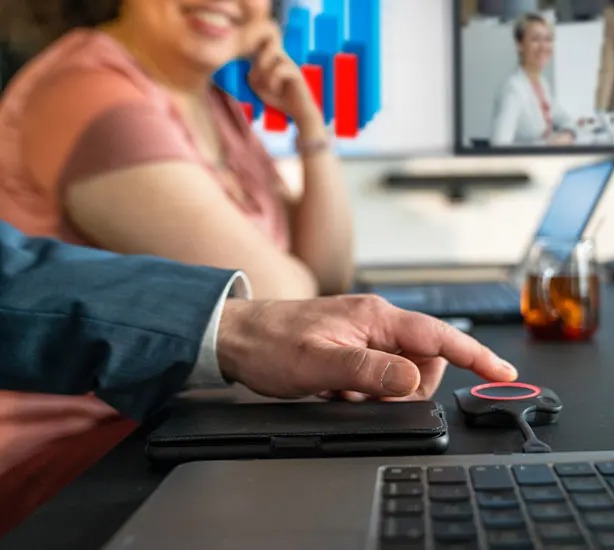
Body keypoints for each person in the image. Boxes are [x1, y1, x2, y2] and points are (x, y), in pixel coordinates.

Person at [0, 220, 518, 533]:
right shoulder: (99, 95)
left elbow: (328, 269)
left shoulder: (223, 109)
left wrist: (314, 129)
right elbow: (293, 282)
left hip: (152, 408)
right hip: (75, 446)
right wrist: (245, 326)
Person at [0, 0, 352, 300]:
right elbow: (279, 299)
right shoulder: (91, 96)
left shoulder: (212, 104)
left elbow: (330, 276)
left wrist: (311, 126)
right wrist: (306, 283)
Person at [490, 13, 578, 146]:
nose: (544, 46)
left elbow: (565, 119)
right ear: (519, 45)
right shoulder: (513, 90)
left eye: (548, 39)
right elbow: (499, 146)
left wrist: (569, 133)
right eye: (536, 39)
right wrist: (547, 144)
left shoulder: (541, 83)